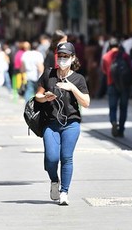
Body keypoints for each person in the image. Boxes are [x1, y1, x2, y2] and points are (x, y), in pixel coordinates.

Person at [35, 42, 90, 206]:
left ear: (73, 58)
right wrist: (45, 97)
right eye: (60, 56)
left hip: (71, 123)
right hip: (51, 123)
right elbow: (37, 96)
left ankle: (64, 192)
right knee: (51, 158)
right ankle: (54, 180)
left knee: (66, 157)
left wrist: (72, 88)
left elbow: (86, 102)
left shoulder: (78, 79)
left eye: (66, 56)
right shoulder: (49, 74)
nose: (63, 59)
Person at [101, 38, 132, 137]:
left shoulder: (105, 57)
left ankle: (114, 121)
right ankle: (122, 129)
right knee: (123, 107)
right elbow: (131, 69)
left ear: (109, 47)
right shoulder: (125, 55)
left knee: (113, 107)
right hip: (124, 85)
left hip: (111, 84)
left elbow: (104, 71)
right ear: (118, 46)